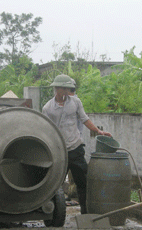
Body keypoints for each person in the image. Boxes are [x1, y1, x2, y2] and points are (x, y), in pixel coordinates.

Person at [42, 74, 112, 214]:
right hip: (58, 151)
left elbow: (84, 119)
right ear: (57, 89)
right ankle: (53, 212)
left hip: (75, 148)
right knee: (55, 183)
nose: (67, 91)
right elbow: (46, 129)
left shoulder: (75, 102)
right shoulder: (48, 108)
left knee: (83, 182)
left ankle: (86, 212)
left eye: (68, 89)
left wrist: (98, 131)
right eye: (64, 88)